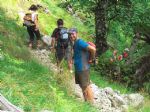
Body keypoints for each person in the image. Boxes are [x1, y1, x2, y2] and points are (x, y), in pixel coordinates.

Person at [69, 28, 96, 103]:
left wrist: (92, 58)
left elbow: (93, 49)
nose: (71, 36)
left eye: (73, 34)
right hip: (79, 68)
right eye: (70, 34)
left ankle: (91, 105)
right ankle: (86, 102)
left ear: (77, 33)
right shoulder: (75, 43)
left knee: (86, 86)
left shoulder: (80, 42)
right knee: (82, 86)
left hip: (83, 68)